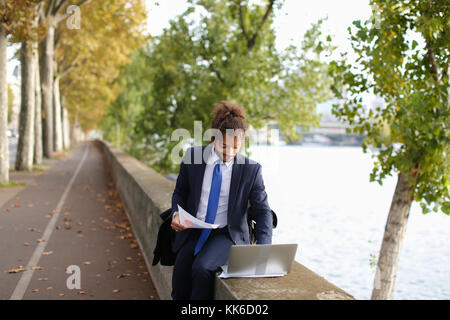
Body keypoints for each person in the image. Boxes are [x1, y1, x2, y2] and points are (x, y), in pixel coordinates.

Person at [170, 101, 273, 300]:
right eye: (224, 145)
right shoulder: (193, 157)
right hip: (194, 229)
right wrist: (176, 213)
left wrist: (264, 249)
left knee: (202, 268)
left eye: (236, 146)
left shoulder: (251, 170)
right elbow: (180, 192)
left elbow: (262, 211)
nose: (230, 152)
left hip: (227, 234)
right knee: (181, 272)